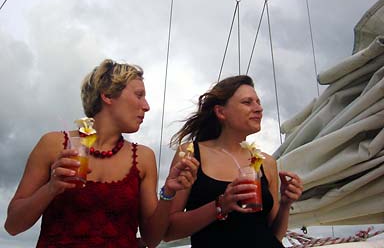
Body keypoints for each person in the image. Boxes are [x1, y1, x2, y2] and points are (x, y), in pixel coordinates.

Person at [4, 59, 199, 248]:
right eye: (139, 95)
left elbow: (151, 239)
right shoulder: (53, 145)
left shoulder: (143, 158)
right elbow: (13, 226)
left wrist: (168, 192)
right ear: (107, 96)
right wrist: (51, 188)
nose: (146, 106)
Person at [163, 75, 303, 247]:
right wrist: (220, 205)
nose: (258, 108)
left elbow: (275, 234)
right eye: (247, 102)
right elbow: (168, 231)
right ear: (221, 112)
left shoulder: (266, 162)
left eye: (258, 102)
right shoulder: (191, 153)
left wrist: (285, 204)